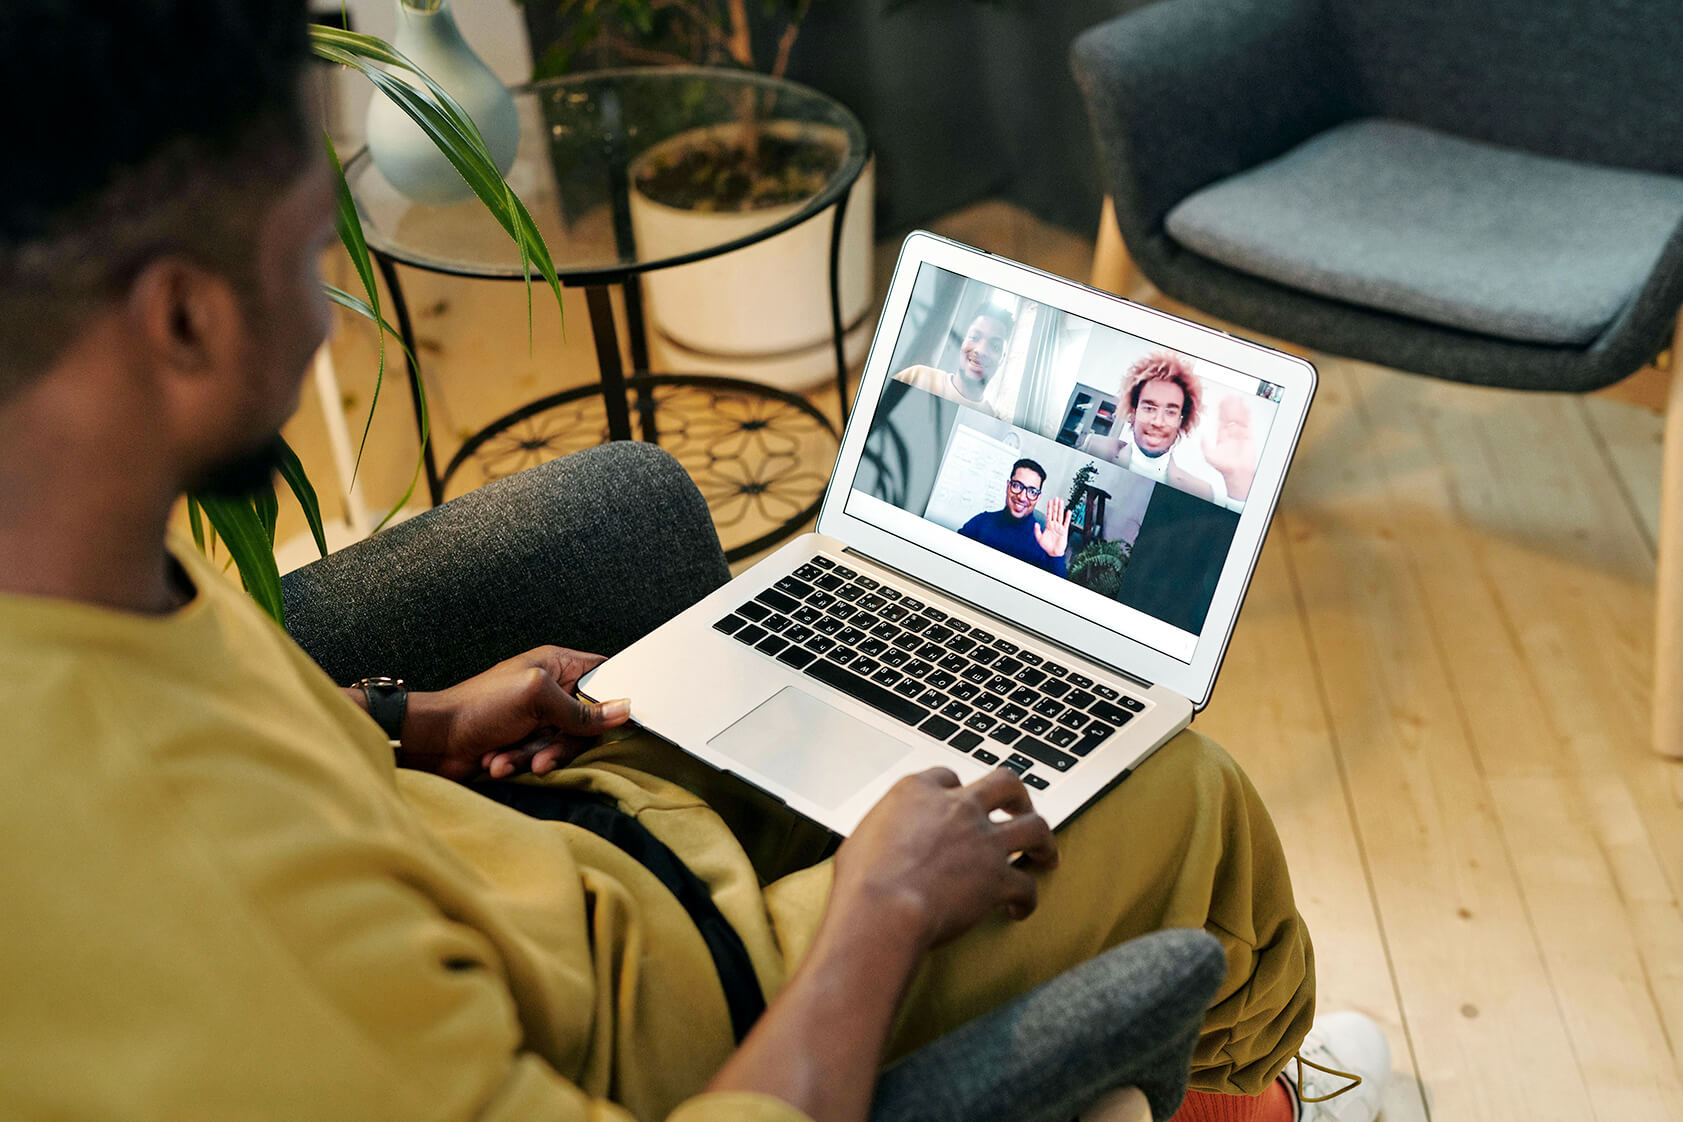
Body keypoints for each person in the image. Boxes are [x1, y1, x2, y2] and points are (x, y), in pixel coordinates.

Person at [0, 5, 1391, 1121]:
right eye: (310, 254)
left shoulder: (74, 573)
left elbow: (218, 720)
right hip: (686, 997)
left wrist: (408, 724)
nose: (324, 317)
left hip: (537, 839)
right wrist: (877, 912)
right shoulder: (214, 931)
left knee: (846, 698)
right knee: (1189, 798)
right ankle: (1256, 1092)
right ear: (178, 318)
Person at [1086, 351, 1219, 502]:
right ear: (1133, 412)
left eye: (1170, 412)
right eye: (1149, 408)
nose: (1158, 422)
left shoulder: (1200, 492)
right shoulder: (1094, 447)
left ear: (1181, 421)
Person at [892, 306, 1015, 420]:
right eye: (974, 337)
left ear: (1002, 359)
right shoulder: (917, 377)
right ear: (963, 342)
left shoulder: (992, 421)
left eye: (995, 346)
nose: (981, 351)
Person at [957, 458, 1073, 577]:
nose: (1022, 497)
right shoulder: (980, 522)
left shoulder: (1045, 543)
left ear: (1038, 498)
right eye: (1017, 486)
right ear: (1008, 486)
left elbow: (1053, 591)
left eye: (1032, 492)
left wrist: (1055, 555)